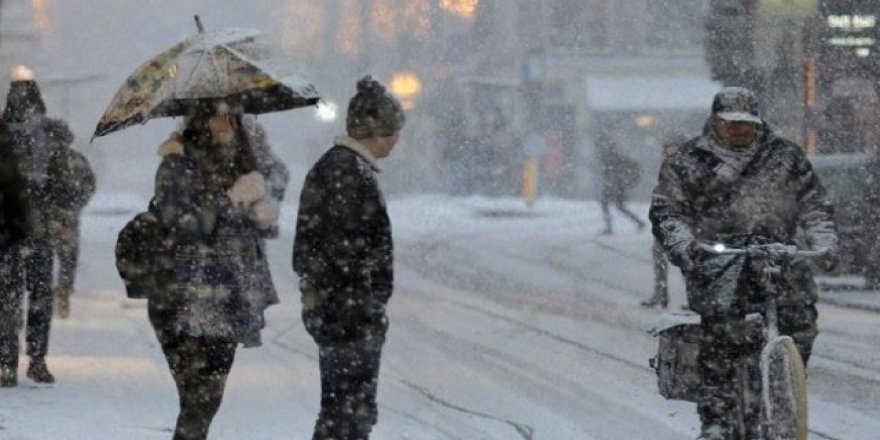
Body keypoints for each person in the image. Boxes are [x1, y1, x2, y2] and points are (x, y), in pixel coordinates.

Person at [649, 87, 838, 440]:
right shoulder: (688, 161)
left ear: (757, 122)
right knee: (721, 339)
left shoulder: (785, 157)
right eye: (730, 123)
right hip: (719, 262)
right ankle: (717, 420)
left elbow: (815, 206)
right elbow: (668, 211)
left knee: (801, 320)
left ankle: (784, 385)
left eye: (745, 123)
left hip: (779, 258)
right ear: (715, 121)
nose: (738, 129)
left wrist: (824, 243)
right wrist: (685, 245)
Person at [147, 101, 280, 440]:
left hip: (230, 297)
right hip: (183, 297)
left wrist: (261, 213)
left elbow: (238, 230)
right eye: (217, 115)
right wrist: (232, 199)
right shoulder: (177, 162)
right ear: (200, 120)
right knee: (198, 400)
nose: (226, 123)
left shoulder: (243, 162)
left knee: (208, 399)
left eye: (232, 115)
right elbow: (184, 225)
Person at [293, 75, 405, 440]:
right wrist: (366, 302)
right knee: (348, 414)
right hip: (348, 314)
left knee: (343, 410)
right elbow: (346, 252)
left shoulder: (340, 168)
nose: (397, 140)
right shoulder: (349, 174)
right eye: (394, 131)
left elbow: (313, 251)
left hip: (340, 310)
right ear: (378, 132)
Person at [0, 69, 75, 384]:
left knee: (7, 297)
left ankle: (6, 363)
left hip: (7, 227)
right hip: (39, 226)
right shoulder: (51, 136)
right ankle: (37, 359)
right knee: (39, 295)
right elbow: (64, 185)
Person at [0, 120, 34, 387]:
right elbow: (21, 206)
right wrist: (21, 237)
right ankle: (6, 364)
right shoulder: (11, 164)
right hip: (6, 244)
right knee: (7, 307)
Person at [642, 132, 688, 308]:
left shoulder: (685, 168)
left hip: (681, 219)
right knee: (660, 255)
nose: (668, 152)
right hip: (666, 218)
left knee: (685, 258)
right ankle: (661, 294)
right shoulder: (670, 167)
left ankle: (690, 297)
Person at [52, 146, 96, 318]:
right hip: (68, 217)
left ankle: (40, 294)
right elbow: (90, 185)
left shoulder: (39, 157)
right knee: (68, 257)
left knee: (40, 257)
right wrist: (75, 205)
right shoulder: (77, 158)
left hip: (43, 217)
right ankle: (63, 290)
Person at [596, 129, 645, 235]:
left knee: (611, 205)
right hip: (615, 185)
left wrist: (620, 179)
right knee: (617, 206)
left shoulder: (612, 156)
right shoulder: (612, 156)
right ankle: (638, 222)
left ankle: (610, 227)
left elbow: (612, 170)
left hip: (615, 185)